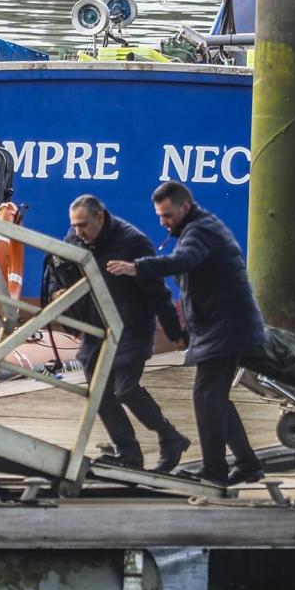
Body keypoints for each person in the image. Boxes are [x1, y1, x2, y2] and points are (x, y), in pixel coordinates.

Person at [106, 181, 265, 487]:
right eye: (159, 216)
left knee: (207, 397)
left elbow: (184, 261)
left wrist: (136, 267)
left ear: (185, 208)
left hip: (227, 328)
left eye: (167, 216)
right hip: (220, 327)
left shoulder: (199, 231)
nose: (162, 223)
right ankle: (246, 464)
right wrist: (185, 330)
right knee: (215, 398)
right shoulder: (197, 229)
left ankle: (215, 471)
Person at [52, 194, 190, 473]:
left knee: (125, 387)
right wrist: (57, 290)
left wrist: (175, 331)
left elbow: (157, 292)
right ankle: (128, 454)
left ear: (100, 217)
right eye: (74, 226)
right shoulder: (75, 239)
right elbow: (60, 270)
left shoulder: (132, 242)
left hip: (132, 327)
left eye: (83, 225)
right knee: (98, 392)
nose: (78, 232)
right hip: (97, 328)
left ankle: (170, 437)